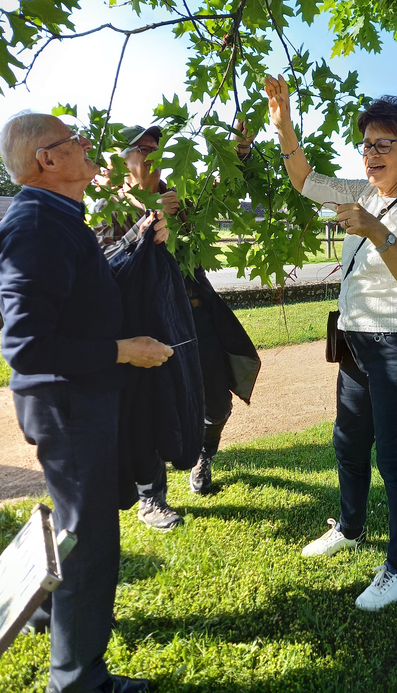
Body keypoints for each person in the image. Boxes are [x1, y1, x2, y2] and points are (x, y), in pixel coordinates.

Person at [0, 113, 174, 692]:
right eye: (76, 141)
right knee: (90, 541)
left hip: (78, 402)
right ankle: (77, 680)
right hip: (68, 407)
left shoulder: (57, 215)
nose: (89, 146)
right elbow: (26, 344)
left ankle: (48, 616)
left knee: (76, 527)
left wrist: (136, 243)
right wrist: (122, 349)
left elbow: (77, 299)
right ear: (47, 159)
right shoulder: (36, 226)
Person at [265, 75, 397, 611]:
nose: (370, 155)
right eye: (366, 143)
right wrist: (284, 127)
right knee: (347, 443)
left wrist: (376, 230)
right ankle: (349, 528)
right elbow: (305, 180)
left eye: (382, 145)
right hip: (357, 343)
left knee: (394, 458)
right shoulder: (360, 190)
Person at [93, 124, 260, 512]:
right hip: (146, 328)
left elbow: (222, 188)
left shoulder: (181, 193)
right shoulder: (107, 206)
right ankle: (153, 497)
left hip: (195, 317)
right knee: (151, 407)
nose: (152, 154)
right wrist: (145, 222)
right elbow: (106, 267)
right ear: (124, 159)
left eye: (157, 147)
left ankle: (204, 454)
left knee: (216, 405)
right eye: (143, 148)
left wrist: (240, 149)